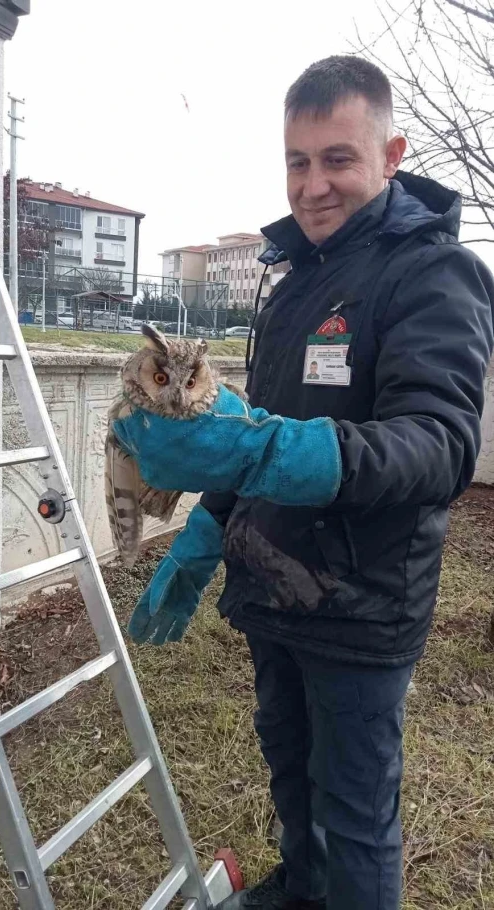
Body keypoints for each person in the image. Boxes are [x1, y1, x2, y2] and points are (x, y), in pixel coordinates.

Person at [113, 56, 494, 910]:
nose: (313, 185)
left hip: (361, 603)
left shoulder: (434, 274)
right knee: (291, 772)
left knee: (356, 818)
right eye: (297, 160)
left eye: (338, 159)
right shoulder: (289, 285)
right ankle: (300, 892)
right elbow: (254, 437)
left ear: (391, 155)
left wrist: (269, 456)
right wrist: (208, 531)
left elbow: (438, 448)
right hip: (272, 583)